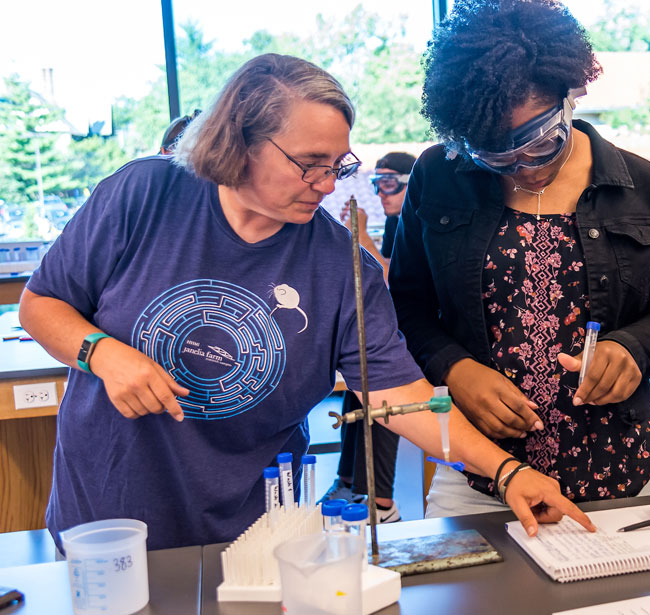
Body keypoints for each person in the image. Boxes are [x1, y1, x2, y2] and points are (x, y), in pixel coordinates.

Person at [19, 53, 593, 551]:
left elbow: (403, 396)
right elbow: (41, 304)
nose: (327, 185)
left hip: (255, 522)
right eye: (309, 164)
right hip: (111, 509)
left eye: (338, 166)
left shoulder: (341, 265)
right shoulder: (143, 193)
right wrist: (100, 352)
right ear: (241, 139)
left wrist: (508, 471)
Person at [389, 0, 650, 517]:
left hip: (620, 471)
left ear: (569, 95)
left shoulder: (638, 184)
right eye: (496, 156)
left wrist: (633, 350)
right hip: (480, 474)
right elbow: (406, 309)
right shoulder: (439, 176)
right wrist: (455, 368)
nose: (524, 169)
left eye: (540, 144)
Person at [323, 152, 417, 521]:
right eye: (377, 185)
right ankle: (349, 483)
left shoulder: (417, 221)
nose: (382, 195)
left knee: (380, 392)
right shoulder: (396, 223)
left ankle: (380, 505)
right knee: (354, 392)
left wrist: (361, 237)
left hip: (425, 340)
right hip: (402, 330)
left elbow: (393, 280)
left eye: (391, 184)